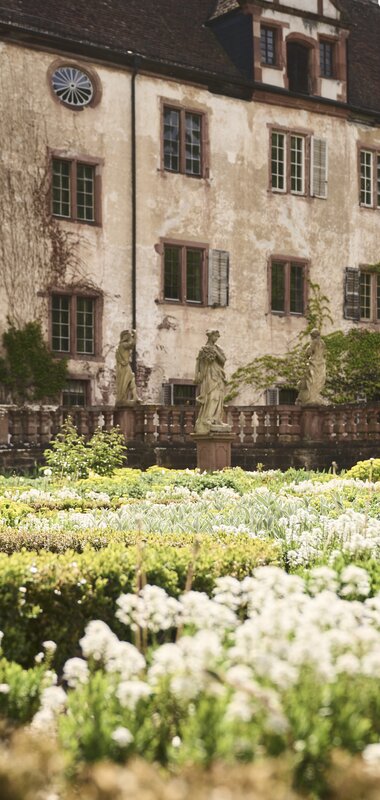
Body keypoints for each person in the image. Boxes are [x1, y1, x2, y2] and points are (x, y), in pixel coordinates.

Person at [194, 329, 230, 434]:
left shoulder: (218, 348)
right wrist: (198, 375)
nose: (216, 339)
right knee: (211, 396)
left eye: (217, 337)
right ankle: (207, 419)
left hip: (218, 374)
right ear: (210, 336)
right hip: (208, 375)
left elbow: (223, 361)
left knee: (219, 397)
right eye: (215, 336)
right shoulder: (203, 349)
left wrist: (215, 352)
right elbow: (199, 364)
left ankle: (217, 419)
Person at [296, 328, 327, 405]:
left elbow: (308, 352)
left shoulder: (314, 342)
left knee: (311, 380)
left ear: (313, 336)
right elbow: (324, 353)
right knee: (319, 380)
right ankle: (315, 396)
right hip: (321, 364)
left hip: (314, 363)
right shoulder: (323, 343)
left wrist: (307, 352)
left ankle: (311, 397)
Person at [115, 330, 140, 406]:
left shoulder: (122, 345)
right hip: (124, 367)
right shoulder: (123, 345)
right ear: (124, 337)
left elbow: (131, 345)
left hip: (125, 366)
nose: (128, 336)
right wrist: (135, 335)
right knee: (126, 381)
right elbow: (132, 344)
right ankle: (122, 398)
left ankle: (135, 397)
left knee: (131, 379)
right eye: (127, 335)